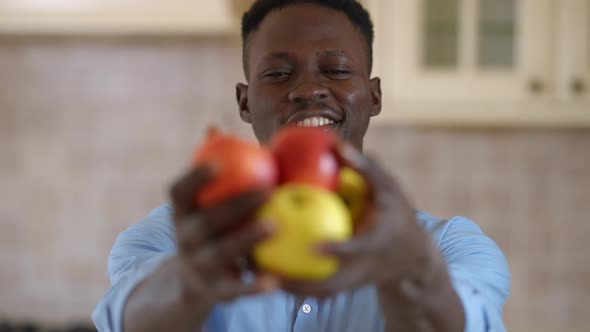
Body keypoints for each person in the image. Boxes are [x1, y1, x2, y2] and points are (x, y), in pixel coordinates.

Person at [92, 1, 510, 331]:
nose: (309, 89)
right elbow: (126, 320)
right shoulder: (178, 242)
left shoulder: (449, 248)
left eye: (337, 70)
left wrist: (411, 270)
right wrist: (187, 283)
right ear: (244, 102)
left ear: (374, 96)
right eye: (277, 73)